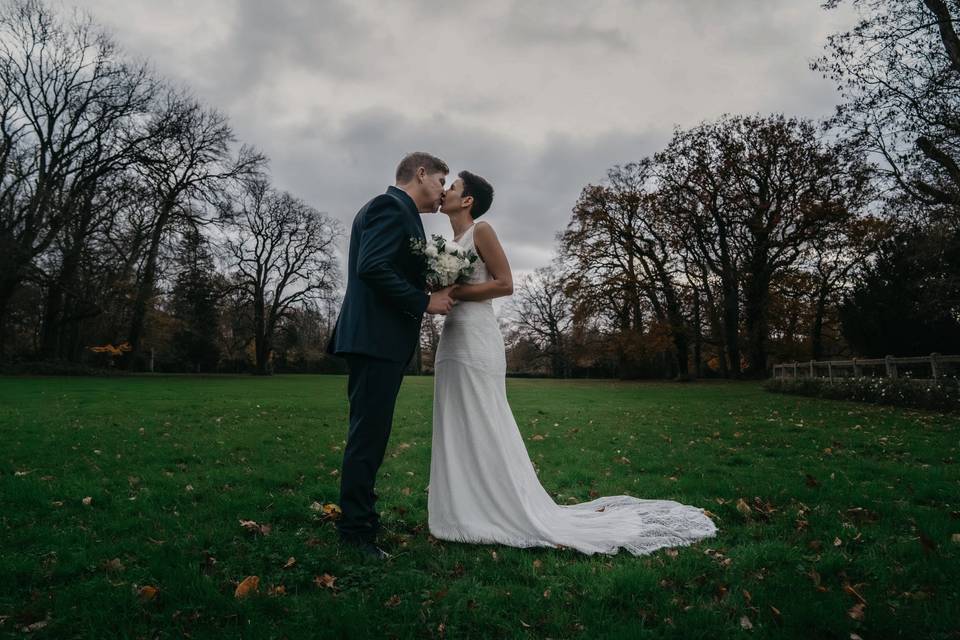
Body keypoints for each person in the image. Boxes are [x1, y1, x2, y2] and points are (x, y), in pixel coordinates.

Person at [427, 170, 718, 555]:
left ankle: (502, 508)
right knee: (454, 420)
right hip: (452, 337)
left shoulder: (482, 231)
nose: (445, 191)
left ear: (467, 201)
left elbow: (505, 283)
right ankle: (463, 509)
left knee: (485, 419)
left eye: (454, 187)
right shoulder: (448, 244)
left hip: (477, 338)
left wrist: (455, 289)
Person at [327, 152, 456, 559]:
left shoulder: (393, 210)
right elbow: (373, 267)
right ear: (420, 174)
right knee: (367, 438)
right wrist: (425, 300)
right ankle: (356, 532)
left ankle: (361, 520)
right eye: (440, 181)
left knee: (369, 435)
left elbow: (386, 267)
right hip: (375, 340)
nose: (442, 192)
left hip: (378, 341)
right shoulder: (389, 206)